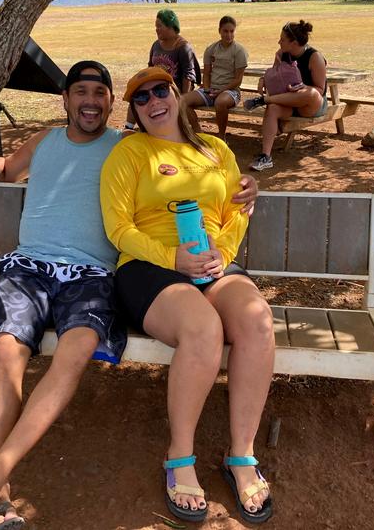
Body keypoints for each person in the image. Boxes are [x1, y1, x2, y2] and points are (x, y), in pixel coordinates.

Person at [0, 61, 258, 530]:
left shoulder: (125, 146)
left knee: (74, 355)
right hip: (29, 267)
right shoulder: (45, 140)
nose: (90, 100)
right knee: (6, 351)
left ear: (110, 103)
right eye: (80, 91)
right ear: (65, 99)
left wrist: (247, 185)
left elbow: (184, 172)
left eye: (99, 92)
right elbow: (5, 170)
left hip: (91, 276)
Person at [100, 67, 275, 524]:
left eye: (161, 90)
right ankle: (179, 456)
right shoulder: (130, 152)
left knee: (257, 321)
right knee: (203, 328)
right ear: (135, 111)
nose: (153, 101)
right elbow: (118, 228)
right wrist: (171, 258)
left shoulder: (216, 150)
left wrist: (222, 255)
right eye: (141, 98)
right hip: (147, 267)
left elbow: (237, 212)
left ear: (178, 94)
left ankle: (242, 455)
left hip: (212, 264)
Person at [244, 20, 327, 172]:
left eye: (282, 40)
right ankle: (265, 157)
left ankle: (265, 100)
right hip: (287, 101)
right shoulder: (282, 54)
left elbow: (320, 90)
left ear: (293, 43)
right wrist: (264, 79)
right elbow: (275, 76)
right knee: (272, 109)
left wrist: (303, 87)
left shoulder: (315, 57)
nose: (279, 42)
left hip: (309, 105)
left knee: (311, 93)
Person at [125, 9, 201, 130]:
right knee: (137, 97)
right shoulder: (156, 45)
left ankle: (196, 131)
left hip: (174, 88)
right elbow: (150, 68)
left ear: (170, 26)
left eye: (159, 26)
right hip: (156, 87)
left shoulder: (183, 47)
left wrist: (183, 96)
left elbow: (188, 75)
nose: (156, 29)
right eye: (156, 27)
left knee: (179, 103)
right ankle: (128, 128)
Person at [183, 15, 249, 138]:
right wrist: (207, 89)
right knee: (182, 100)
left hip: (231, 91)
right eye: (225, 31)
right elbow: (207, 73)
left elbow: (238, 80)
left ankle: (221, 137)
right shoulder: (211, 49)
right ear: (219, 31)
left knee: (220, 102)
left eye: (232, 31)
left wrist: (221, 90)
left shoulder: (239, 51)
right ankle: (198, 132)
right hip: (212, 89)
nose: (229, 35)